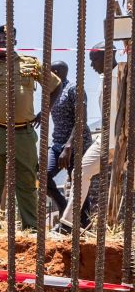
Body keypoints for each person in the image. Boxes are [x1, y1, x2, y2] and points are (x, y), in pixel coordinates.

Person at [0, 25, 61, 230]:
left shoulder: (31, 64)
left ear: (15, 42)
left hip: (23, 132)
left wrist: (44, 112)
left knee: (27, 183)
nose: (2, 41)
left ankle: (31, 229)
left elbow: (56, 86)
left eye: (7, 38)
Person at [54, 42, 118, 235]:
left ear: (108, 56)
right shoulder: (104, 78)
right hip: (107, 139)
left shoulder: (123, 76)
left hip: (123, 139)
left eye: (94, 59)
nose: (91, 65)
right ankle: (68, 224)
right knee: (81, 171)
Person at [46, 60, 92, 216]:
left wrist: (69, 146)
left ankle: (84, 222)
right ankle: (63, 207)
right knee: (43, 175)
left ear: (56, 73)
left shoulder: (74, 89)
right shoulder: (52, 91)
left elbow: (81, 120)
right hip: (58, 143)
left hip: (77, 144)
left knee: (78, 182)